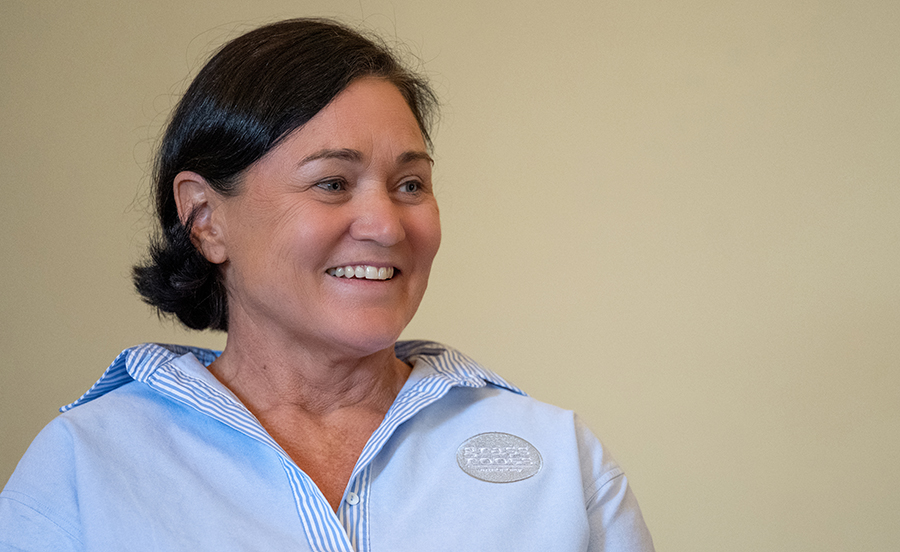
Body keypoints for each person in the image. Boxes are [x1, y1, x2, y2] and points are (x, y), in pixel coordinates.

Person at [0, 18, 654, 551]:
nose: (385, 225)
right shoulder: (82, 469)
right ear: (205, 219)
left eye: (409, 185)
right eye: (333, 183)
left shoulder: (558, 460)